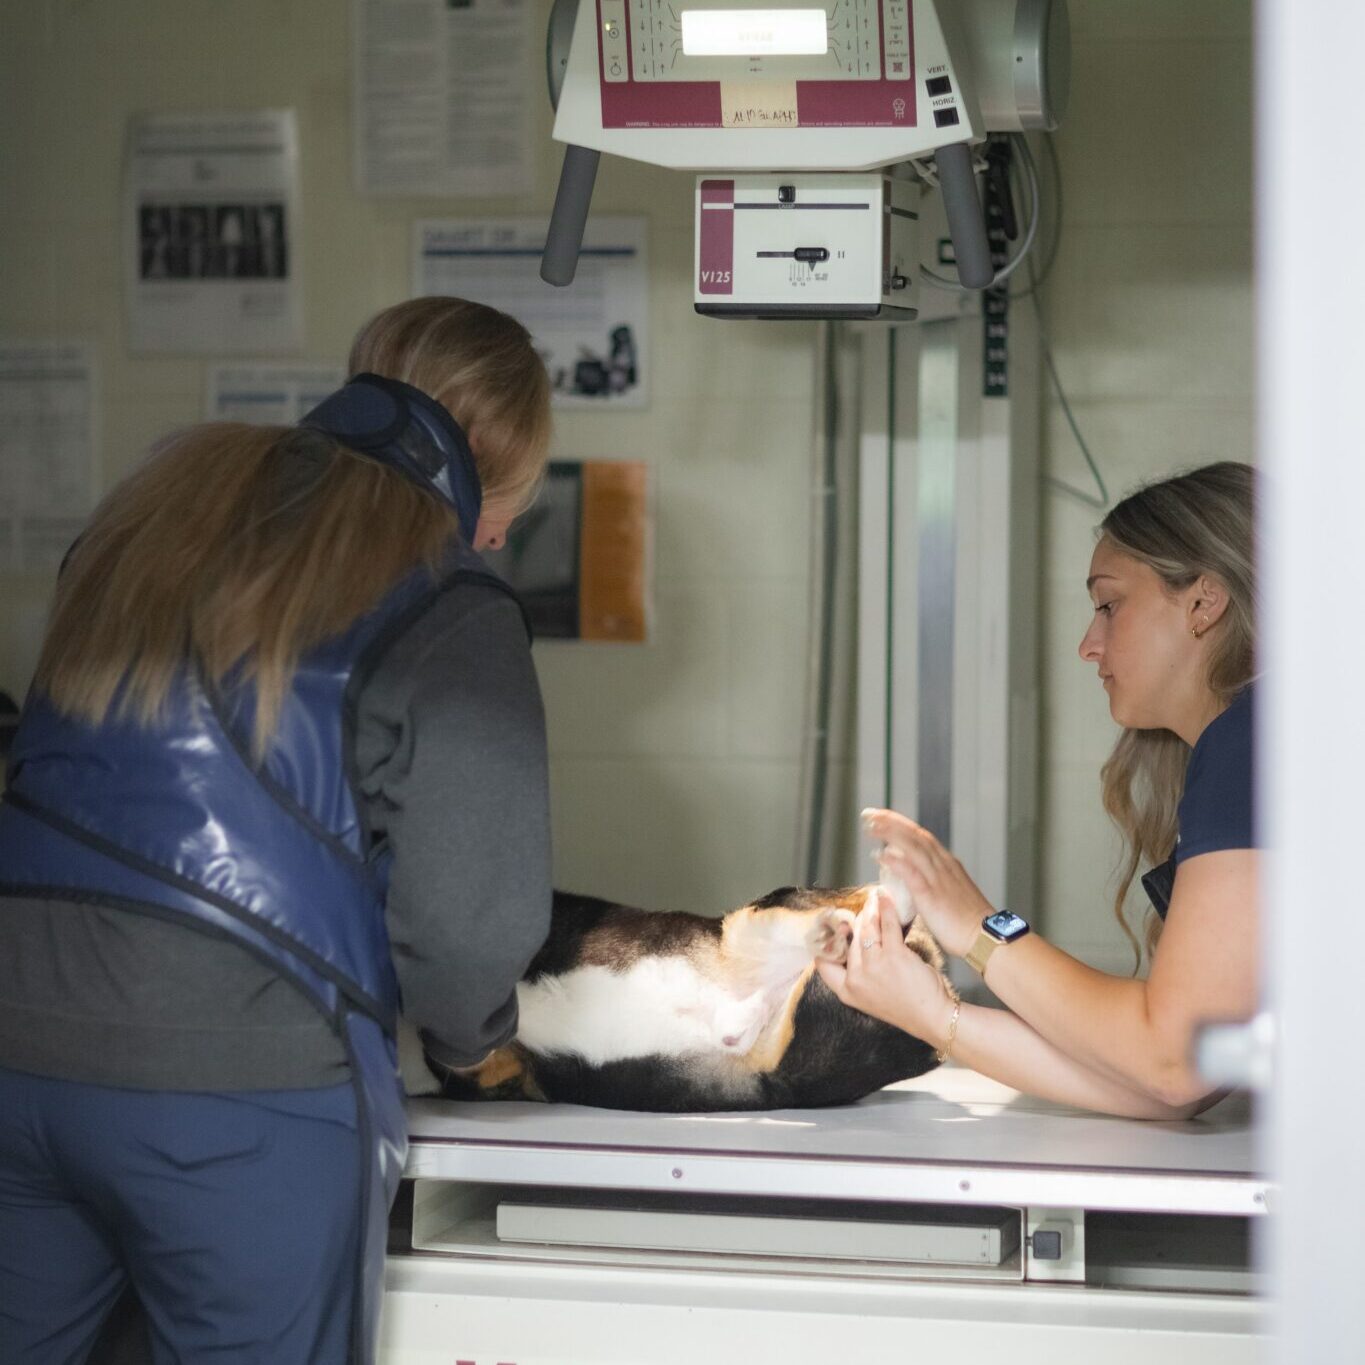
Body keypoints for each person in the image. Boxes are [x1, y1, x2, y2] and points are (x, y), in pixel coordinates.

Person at [0, 297, 555, 1363]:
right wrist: (474, 1048)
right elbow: (467, 928)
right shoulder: (450, 595)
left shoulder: (158, 507)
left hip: (16, 1039)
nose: (494, 539)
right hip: (238, 1083)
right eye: (506, 513)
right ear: (489, 462)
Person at [818, 462, 1259, 1121]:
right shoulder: (1257, 744)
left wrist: (979, 927)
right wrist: (934, 1014)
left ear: (1203, 601)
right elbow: (1173, 1086)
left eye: (1109, 606)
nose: (1088, 644)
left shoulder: (1251, 742)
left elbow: (1174, 1062)